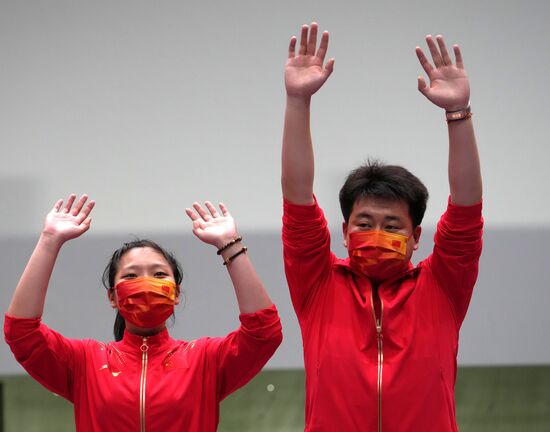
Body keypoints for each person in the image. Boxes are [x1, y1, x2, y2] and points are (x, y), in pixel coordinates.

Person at [282, 22, 483, 432]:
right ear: (344, 231)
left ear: (415, 237)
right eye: (365, 223)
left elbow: (466, 210)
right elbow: (297, 195)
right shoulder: (317, 283)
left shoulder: (442, 286)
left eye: (392, 224)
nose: (377, 233)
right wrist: (297, 100)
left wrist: (457, 115)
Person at [4, 194, 282, 431]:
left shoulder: (205, 360)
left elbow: (263, 334)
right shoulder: (84, 363)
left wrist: (230, 244)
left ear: (175, 293)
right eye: (131, 275)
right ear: (112, 297)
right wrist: (49, 240)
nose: (146, 283)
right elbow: (22, 332)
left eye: (159, 274)